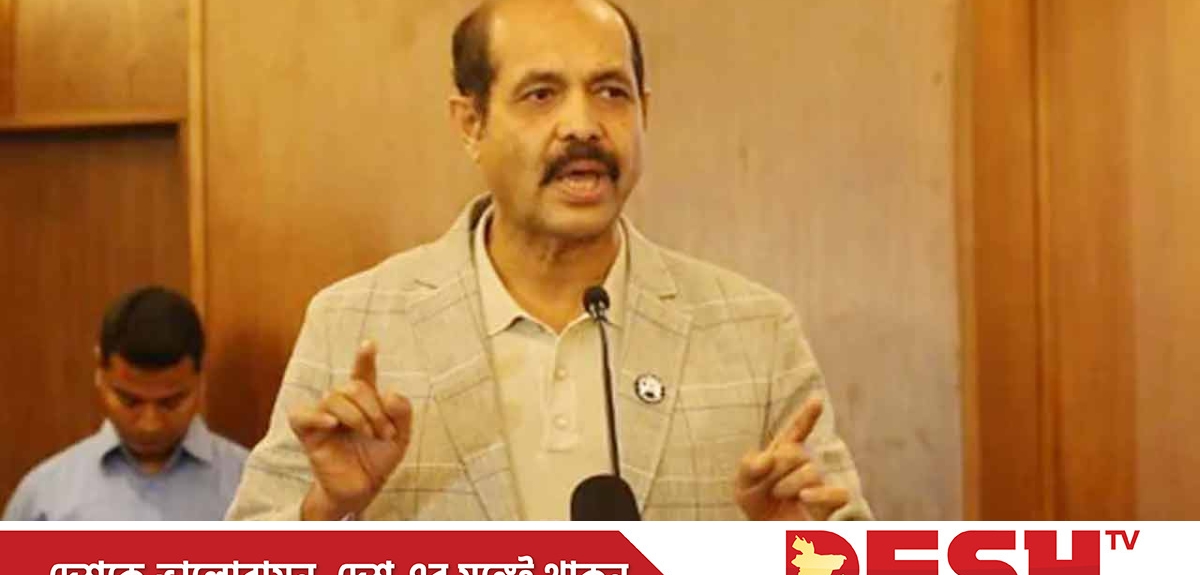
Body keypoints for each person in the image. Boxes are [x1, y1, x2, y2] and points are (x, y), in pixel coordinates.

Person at [227, 0, 872, 521]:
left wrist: (790, 551)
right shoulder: (354, 321)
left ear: (644, 112)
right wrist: (325, 512)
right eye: (541, 95)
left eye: (611, 92)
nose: (583, 125)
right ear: (471, 123)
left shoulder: (755, 332)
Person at [3, 286, 248, 520]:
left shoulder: (251, 486)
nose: (150, 424)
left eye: (171, 402)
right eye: (130, 401)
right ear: (100, 373)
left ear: (201, 377)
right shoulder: (44, 499)